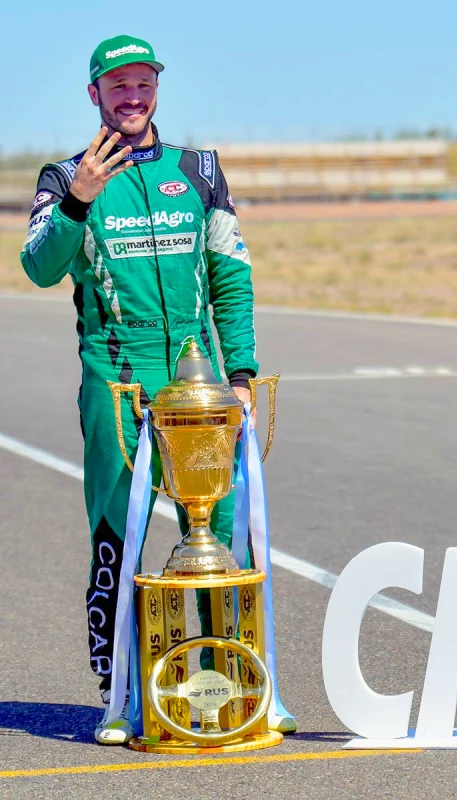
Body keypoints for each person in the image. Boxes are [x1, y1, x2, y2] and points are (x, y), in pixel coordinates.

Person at [19, 35, 295, 744]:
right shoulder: (62, 176)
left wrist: (239, 374)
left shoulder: (197, 170)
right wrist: (79, 199)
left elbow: (231, 274)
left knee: (233, 532)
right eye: (118, 87)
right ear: (95, 95)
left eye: (143, 84)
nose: (132, 97)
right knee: (119, 533)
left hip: (199, 388)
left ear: (157, 90)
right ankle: (122, 696)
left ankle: (248, 682)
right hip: (117, 383)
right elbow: (40, 268)